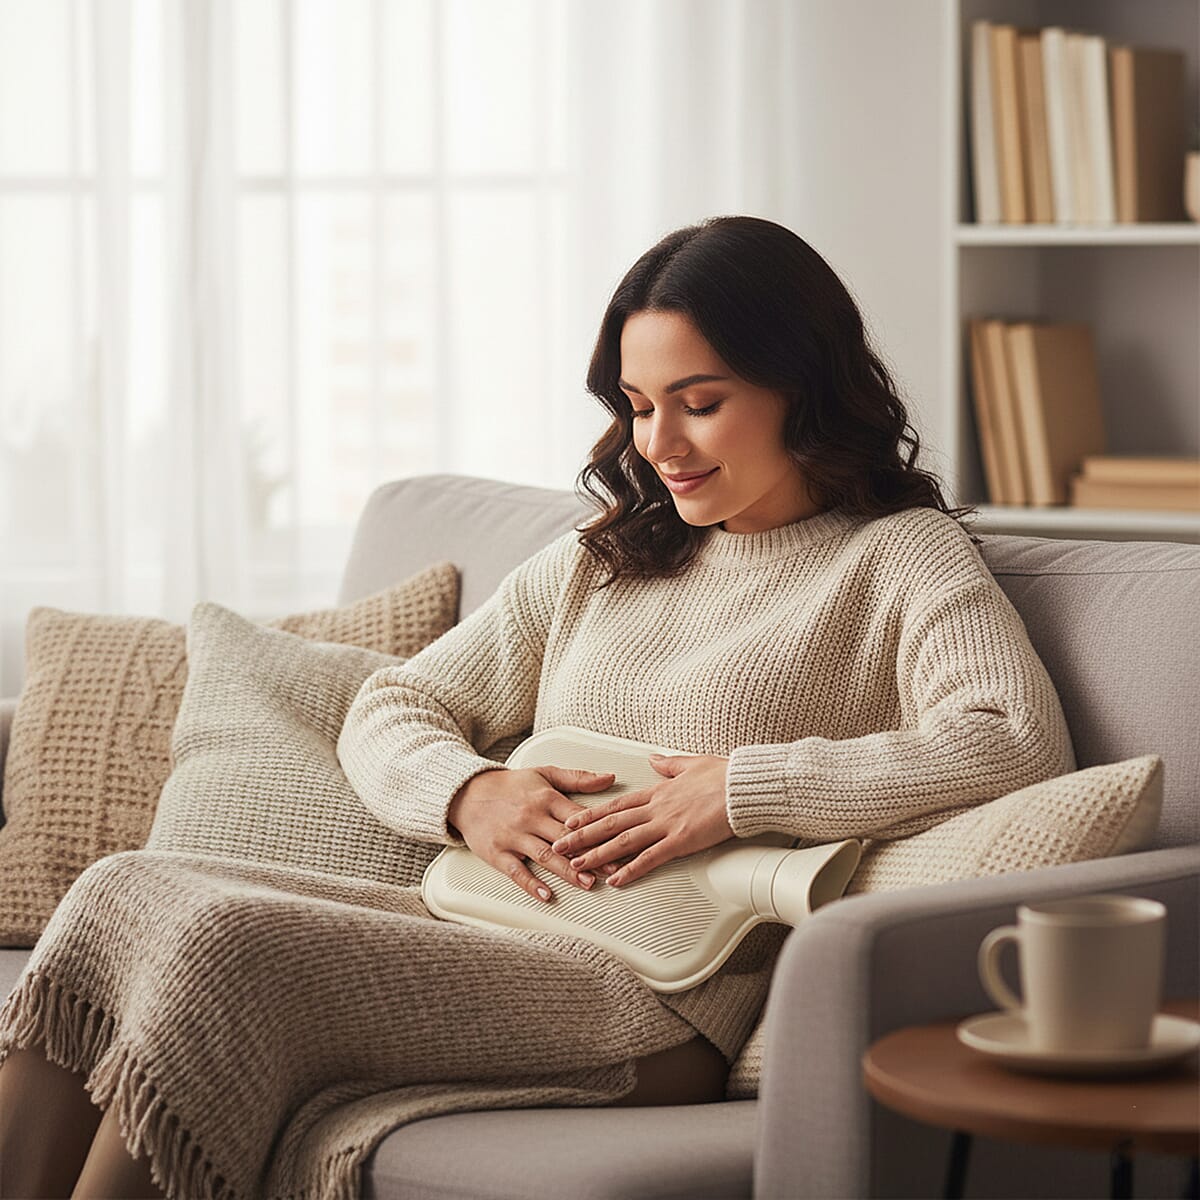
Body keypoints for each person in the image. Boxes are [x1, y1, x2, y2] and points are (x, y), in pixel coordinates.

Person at [0, 215, 1074, 1200]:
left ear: (804, 384)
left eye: (700, 404)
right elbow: (397, 700)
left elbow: (1013, 740)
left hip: (650, 999)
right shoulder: (604, 562)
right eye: (641, 407)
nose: (662, 445)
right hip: (481, 923)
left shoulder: (897, 556)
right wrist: (471, 792)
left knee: (225, 949)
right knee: (121, 889)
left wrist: (738, 791)